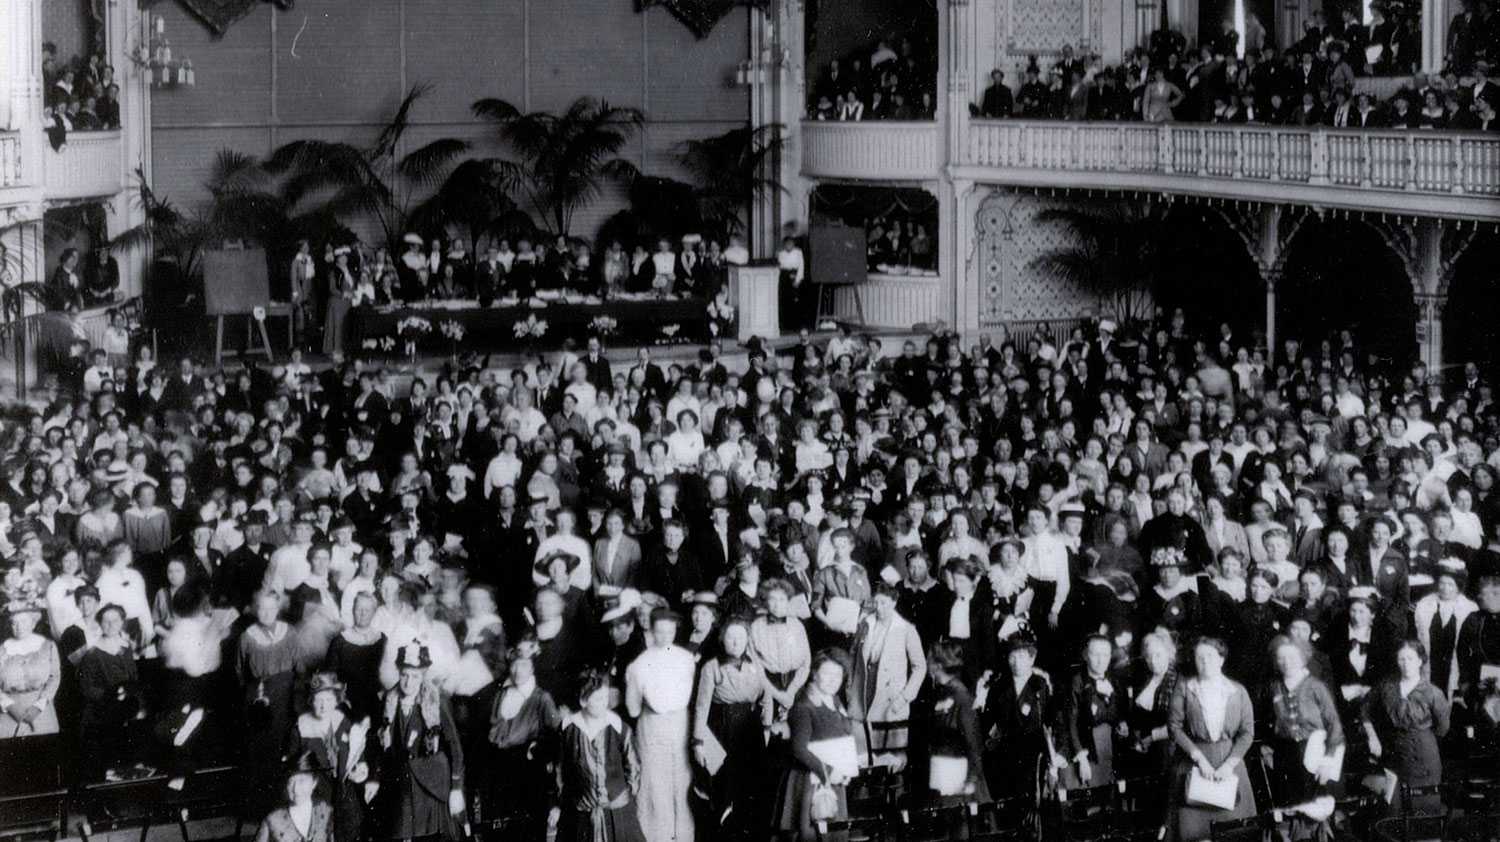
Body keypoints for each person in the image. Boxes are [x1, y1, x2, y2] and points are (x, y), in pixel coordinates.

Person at [1166, 637, 1257, 842]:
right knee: (1192, 832)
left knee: (1234, 830)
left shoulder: (1238, 691)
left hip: (1230, 765)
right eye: (1200, 657)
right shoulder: (1185, 688)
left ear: (1221, 660)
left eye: (1210, 656)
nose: (1205, 661)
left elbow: (1247, 733)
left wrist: (1229, 765)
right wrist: (1199, 759)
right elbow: (1174, 727)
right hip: (1194, 763)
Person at [374, 643, 466, 841]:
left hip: (431, 783)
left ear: (423, 676)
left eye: (415, 676)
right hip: (402, 785)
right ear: (398, 673)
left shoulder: (435, 701)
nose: (408, 682)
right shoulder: (389, 701)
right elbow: (380, 745)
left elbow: (455, 747)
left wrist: (456, 789)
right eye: (404, 675)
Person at [690, 618, 769, 835]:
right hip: (722, 731)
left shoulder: (756, 665)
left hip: (751, 732)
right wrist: (698, 742)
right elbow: (701, 706)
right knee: (725, 789)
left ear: (747, 641)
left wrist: (767, 726)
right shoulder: (711, 667)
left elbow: (766, 697)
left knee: (751, 787)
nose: (735, 642)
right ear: (722, 640)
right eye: (730, 637)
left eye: (741, 638)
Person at [624, 607, 696, 842]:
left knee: (681, 780)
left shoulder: (686, 659)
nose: (665, 636)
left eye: (670, 631)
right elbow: (633, 708)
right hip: (652, 729)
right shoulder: (639, 665)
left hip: (680, 727)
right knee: (655, 783)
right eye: (660, 631)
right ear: (652, 631)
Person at [774, 649, 857, 841]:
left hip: (833, 779)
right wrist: (828, 771)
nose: (833, 680)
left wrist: (847, 767)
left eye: (838, 675)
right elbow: (799, 749)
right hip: (809, 783)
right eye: (827, 673)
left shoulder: (835, 701)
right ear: (814, 674)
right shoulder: (803, 707)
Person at [555, 669, 648, 842]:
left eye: (605, 698)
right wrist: (567, 800)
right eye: (598, 699)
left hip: (617, 810)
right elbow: (561, 769)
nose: (604, 703)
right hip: (580, 812)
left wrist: (624, 796)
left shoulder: (619, 727)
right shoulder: (569, 729)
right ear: (583, 700)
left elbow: (633, 767)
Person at [1362, 640, 1450, 816]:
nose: (1406, 664)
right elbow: (1365, 709)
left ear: (1420, 661)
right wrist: (1372, 736)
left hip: (1424, 758)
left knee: (1423, 813)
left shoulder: (1433, 693)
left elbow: (1443, 728)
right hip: (1393, 754)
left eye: (1410, 658)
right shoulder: (1387, 686)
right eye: (1401, 659)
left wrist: (1419, 736)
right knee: (1394, 811)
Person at [287, 673, 372, 842]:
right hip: (317, 795)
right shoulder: (301, 727)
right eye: (318, 700)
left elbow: (357, 749)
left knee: (351, 829)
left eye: (328, 700)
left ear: (336, 700)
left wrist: (360, 766)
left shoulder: (342, 721)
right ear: (310, 701)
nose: (323, 706)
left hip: (345, 792)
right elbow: (292, 767)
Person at [0, 582, 62, 738]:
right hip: (8, 715)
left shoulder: (48, 646)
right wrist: (11, 707)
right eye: (14, 623)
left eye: (24, 622)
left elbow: (54, 677)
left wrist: (38, 706)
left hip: (41, 713)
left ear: (33, 622)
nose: (18, 627)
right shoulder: (2, 649)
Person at [254, 751, 335, 842]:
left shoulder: (326, 812)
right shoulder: (272, 821)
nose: (296, 789)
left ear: (314, 782)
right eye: (291, 782)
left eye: (302, 781)